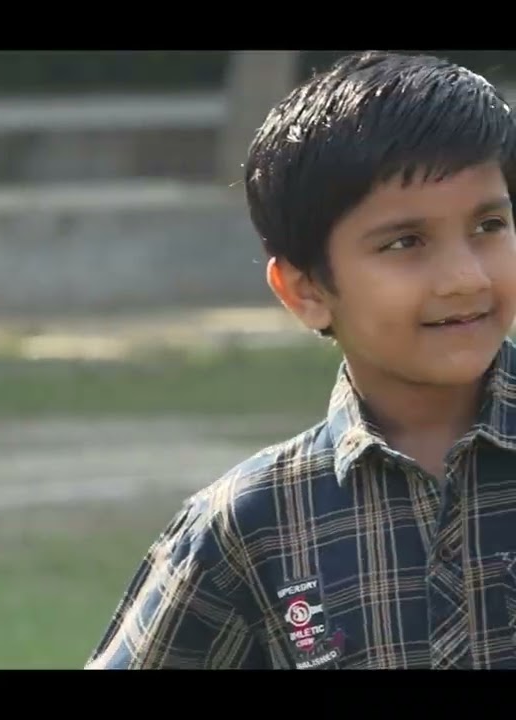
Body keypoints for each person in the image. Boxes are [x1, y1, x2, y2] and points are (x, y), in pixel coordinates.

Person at [86, 50, 516, 669]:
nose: (463, 277)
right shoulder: (251, 524)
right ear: (305, 290)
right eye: (405, 242)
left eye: (489, 226)